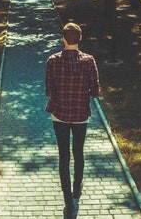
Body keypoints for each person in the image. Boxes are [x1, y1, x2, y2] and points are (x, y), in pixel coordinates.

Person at [45, 22, 101, 216]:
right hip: (80, 115)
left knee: (63, 156)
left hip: (59, 114)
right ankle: (77, 192)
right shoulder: (89, 61)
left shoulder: (52, 60)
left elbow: (49, 90)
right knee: (78, 153)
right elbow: (95, 92)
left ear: (63, 39)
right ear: (80, 38)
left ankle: (68, 200)